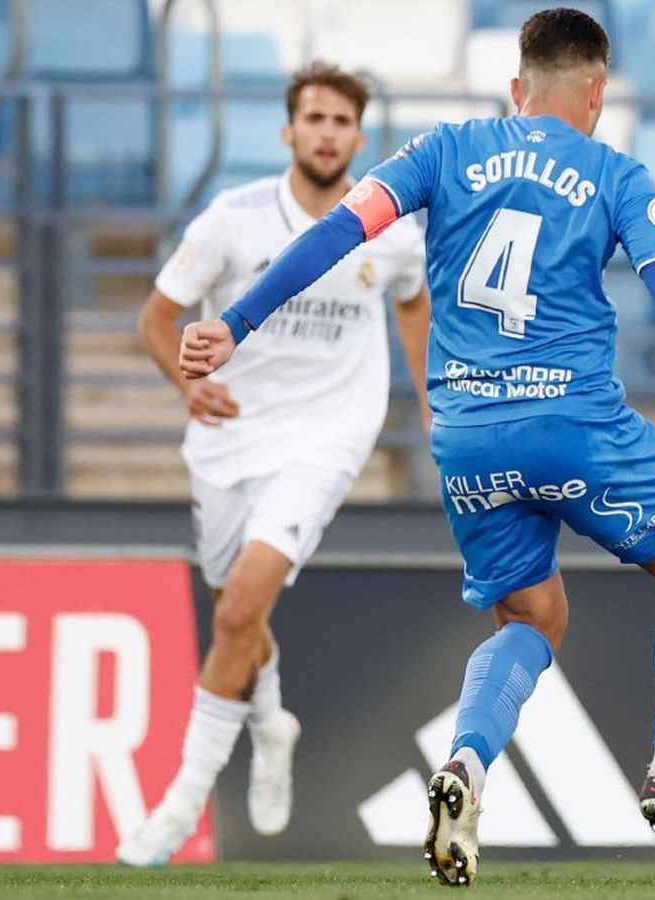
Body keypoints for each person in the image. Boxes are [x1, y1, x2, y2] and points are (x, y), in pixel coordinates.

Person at [176, 9, 655, 887]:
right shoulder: (615, 172)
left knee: (530, 617)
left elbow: (337, 234)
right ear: (597, 93)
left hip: (465, 436)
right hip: (575, 421)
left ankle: (466, 764)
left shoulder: (443, 149)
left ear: (516, 88)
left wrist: (236, 324)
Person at [119, 62, 430, 867]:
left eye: (341, 122)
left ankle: (179, 806)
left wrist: (434, 402)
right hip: (228, 440)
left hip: (326, 440)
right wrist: (187, 391)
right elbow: (156, 318)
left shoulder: (391, 229)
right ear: (288, 132)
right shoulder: (233, 219)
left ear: (360, 139)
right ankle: (270, 722)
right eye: (314, 118)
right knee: (239, 615)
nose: (327, 132)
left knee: (232, 617)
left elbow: (413, 306)